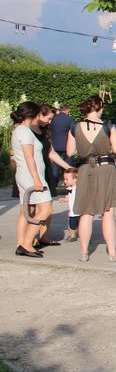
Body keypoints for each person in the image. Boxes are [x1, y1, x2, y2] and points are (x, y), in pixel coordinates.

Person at [68, 94, 116, 262]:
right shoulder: (108, 126)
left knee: (86, 212)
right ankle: (112, 253)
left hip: (85, 169)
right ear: (99, 108)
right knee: (108, 211)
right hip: (106, 169)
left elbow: (70, 152)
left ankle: (84, 252)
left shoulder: (74, 127)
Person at [11, 102, 54, 257]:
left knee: (27, 211)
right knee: (46, 209)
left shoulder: (20, 130)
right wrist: (37, 180)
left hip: (26, 175)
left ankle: (23, 244)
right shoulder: (25, 131)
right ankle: (27, 244)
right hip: (31, 177)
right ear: (34, 115)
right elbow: (29, 157)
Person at [49, 104, 75, 190]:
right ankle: (69, 185)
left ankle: (53, 186)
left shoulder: (53, 119)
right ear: (67, 110)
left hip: (55, 144)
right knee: (68, 166)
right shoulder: (70, 119)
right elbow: (73, 132)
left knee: (55, 166)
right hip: (67, 145)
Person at [63, 168, 80, 242]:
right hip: (72, 212)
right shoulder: (70, 188)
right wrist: (65, 199)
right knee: (71, 225)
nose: (64, 181)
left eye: (67, 179)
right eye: (64, 179)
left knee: (82, 225)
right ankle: (72, 236)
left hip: (80, 211)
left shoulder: (79, 188)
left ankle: (84, 235)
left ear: (75, 179)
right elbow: (70, 197)